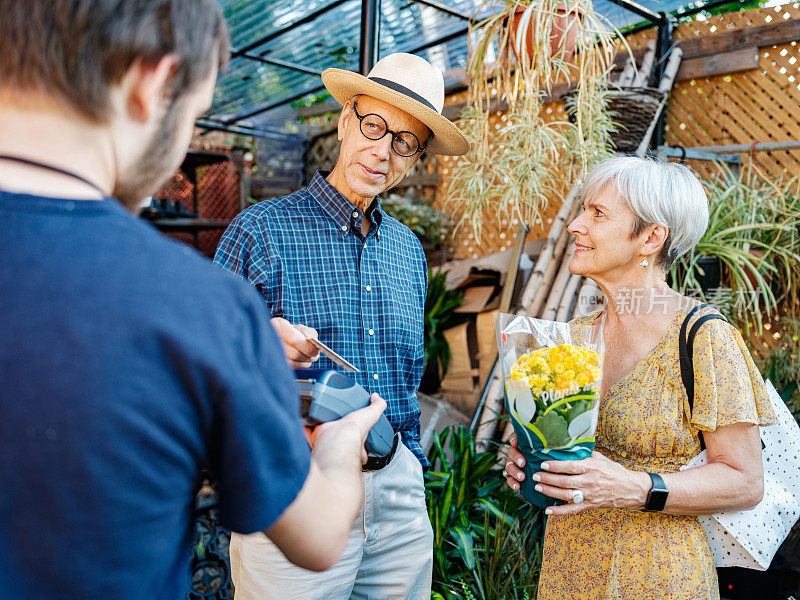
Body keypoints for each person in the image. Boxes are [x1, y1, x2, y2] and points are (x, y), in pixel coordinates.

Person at [0, 2, 387, 599]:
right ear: (150, 82)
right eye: (195, 112)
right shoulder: (199, 303)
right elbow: (316, 537)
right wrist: (338, 444)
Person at [214, 52, 469, 599]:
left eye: (405, 142)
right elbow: (207, 364)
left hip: (397, 489)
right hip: (295, 485)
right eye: (373, 125)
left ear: (414, 158)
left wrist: (412, 472)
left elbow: (405, 376)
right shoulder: (259, 232)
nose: (382, 150)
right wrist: (262, 345)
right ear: (344, 119)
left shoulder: (406, 250)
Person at [503, 156, 776, 600]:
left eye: (597, 213)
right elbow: (558, 447)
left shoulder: (703, 338)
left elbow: (746, 481)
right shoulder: (573, 336)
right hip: (569, 568)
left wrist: (633, 486)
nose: (575, 224)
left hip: (660, 576)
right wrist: (531, 463)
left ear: (651, 237)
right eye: (582, 210)